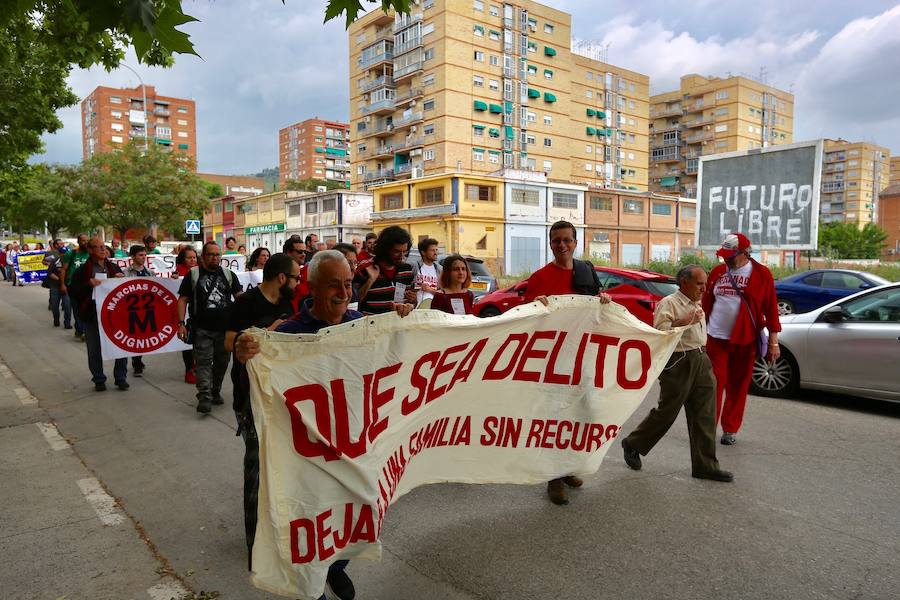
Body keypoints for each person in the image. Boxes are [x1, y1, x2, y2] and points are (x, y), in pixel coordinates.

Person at [234, 250, 412, 600]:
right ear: (312, 288)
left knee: (361, 512)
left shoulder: (362, 324)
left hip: (351, 446)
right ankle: (315, 585)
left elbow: (403, 354)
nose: (344, 293)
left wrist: (406, 322)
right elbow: (255, 376)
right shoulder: (288, 334)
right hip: (306, 455)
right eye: (334, 285)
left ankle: (336, 566)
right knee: (309, 528)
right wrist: (246, 351)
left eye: (348, 284)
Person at [524, 220, 611, 506]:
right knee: (556, 418)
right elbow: (523, 317)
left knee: (582, 416)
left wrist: (604, 300)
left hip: (583, 356)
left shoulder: (586, 272)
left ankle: (569, 466)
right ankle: (554, 479)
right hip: (553, 360)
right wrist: (535, 307)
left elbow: (596, 308)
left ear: (575, 243)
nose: (561, 245)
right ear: (550, 244)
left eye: (566, 240)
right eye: (556, 240)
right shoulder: (539, 278)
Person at [621, 265, 733, 482]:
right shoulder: (669, 303)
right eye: (699, 284)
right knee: (667, 412)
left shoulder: (696, 302)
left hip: (701, 358)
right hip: (678, 361)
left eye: (705, 283)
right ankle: (633, 443)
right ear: (684, 282)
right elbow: (660, 333)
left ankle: (705, 465)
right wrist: (684, 322)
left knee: (705, 414)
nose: (704, 288)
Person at [224, 253, 297, 574]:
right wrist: (254, 338)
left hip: (279, 398)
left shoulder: (291, 305)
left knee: (281, 469)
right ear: (282, 278)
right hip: (250, 399)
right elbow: (228, 340)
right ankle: (255, 545)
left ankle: (281, 531)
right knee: (256, 471)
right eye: (295, 277)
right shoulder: (246, 303)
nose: (298, 283)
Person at [703, 233, 781, 446]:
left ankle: (730, 428)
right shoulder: (718, 272)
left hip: (744, 340)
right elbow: (705, 303)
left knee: (738, 386)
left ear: (745, 253)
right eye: (724, 256)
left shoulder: (762, 274)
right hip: (715, 338)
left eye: (731, 256)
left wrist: (773, 342)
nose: (726, 260)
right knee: (713, 385)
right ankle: (708, 427)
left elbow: (771, 309)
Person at [177, 242, 242, 414]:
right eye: (211, 254)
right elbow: (183, 299)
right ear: (203, 256)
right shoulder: (193, 275)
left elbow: (239, 297)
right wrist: (181, 324)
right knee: (203, 363)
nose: (215, 258)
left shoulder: (229, 275)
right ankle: (204, 396)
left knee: (222, 363)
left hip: (226, 330)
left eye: (218, 254)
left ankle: (215, 390)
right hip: (202, 328)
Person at [68, 237, 128, 391]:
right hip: (92, 315)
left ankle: (121, 377)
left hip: (115, 316)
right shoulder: (82, 271)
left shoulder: (114, 268)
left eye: (104, 246)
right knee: (94, 349)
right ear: (90, 250)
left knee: (121, 346)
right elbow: (73, 292)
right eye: (98, 247)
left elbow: (126, 292)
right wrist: (88, 284)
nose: (103, 250)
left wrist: (122, 280)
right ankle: (99, 379)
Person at [353, 225, 416, 315]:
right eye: (397, 252)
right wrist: (370, 280)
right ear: (385, 249)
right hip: (371, 326)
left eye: (405, 251)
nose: (402, 256)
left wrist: (413, 300)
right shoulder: (365, 268)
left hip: (398, 326)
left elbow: (410, 303)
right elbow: (354, 303)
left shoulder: (406, 270)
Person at [125, 245, 154, 376]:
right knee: (134, 336)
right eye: (140, 255)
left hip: (146, 310)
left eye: (144, 255)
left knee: (143, 336)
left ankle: (138, 359)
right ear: (132, 257)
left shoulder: (150, 273)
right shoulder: (125, 273)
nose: (143, 258)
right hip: (131, 310)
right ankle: (136, 363)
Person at [173, 245, 199, 384]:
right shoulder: (179, 272)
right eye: (189, 257)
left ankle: (198, 367)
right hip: (186, 314)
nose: (192, 260)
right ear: (183, 259)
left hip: (198, 313)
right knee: (188, 343)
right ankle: (189, 369)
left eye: (194, 257)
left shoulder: (202, 270)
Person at [59, 235, 90, 338]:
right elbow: (63, 269)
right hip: (73, 286)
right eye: (83, 241)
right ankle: (82, 330)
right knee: (76, 309)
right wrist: (62, 284)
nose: (85, 243)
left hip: (87, 286)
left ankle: (80, 328)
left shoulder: (91, 254)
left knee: (85, 308)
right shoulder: (71, 254)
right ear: (78, 242)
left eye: (87, 241)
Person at [410, 238, 442, 305]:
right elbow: (407, 288)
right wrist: (417, 287)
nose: (436, 253)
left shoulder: (439, 269)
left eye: (436, 250)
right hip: (416, 308)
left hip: (433, 308)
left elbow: (443, 293)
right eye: (432, 250)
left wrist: (430, 290)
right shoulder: (414, 266)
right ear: (423, 252)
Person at [45, 248, 71, 328]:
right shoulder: (55, 261)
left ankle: (67, 323)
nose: (64, 255)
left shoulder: (70, 262)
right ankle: (56, 320)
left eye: (65, 253)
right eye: (62, 253)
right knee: (55, 305)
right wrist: (60, 280)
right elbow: (49, 273)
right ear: (59, 253)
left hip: (67, 287)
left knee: (67, 306)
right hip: (55, 286)